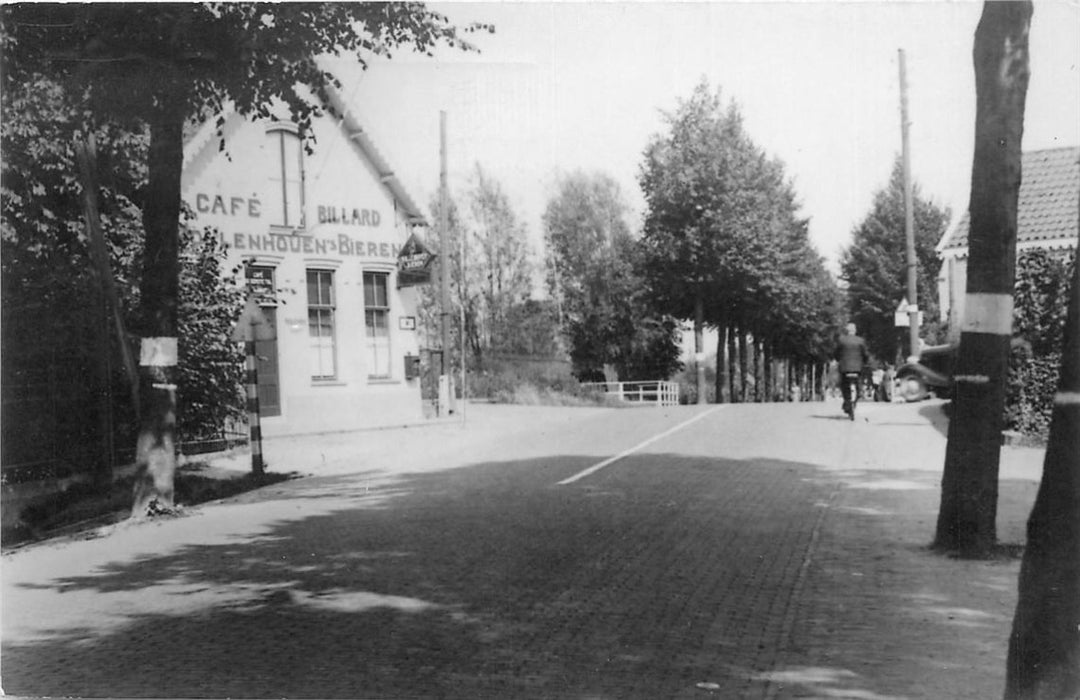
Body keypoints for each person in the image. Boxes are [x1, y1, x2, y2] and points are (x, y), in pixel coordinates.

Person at [834, 322, 869, 418]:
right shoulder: (860, 341)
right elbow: (865, 354)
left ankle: (847, 402)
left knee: (844, 385)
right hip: (857, 368)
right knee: (859, 386)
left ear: (846, 330)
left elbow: (836, 353)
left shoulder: (842, 340)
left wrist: (838, 359)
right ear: (855, 330)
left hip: (845, 368)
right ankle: (855, 401)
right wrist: (865, 362)